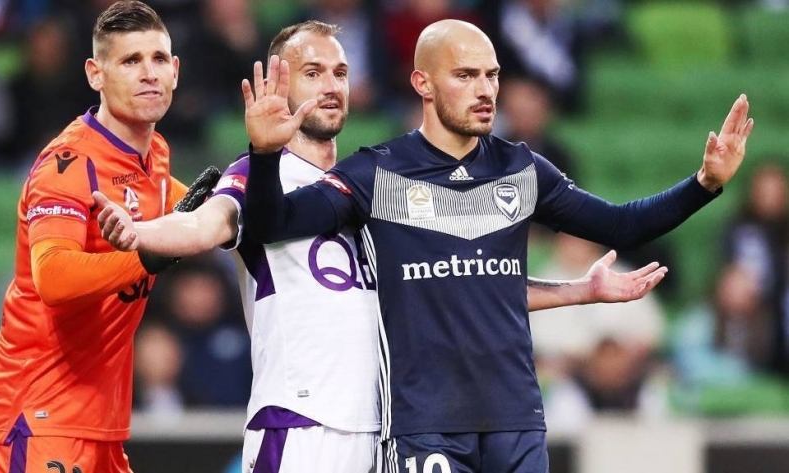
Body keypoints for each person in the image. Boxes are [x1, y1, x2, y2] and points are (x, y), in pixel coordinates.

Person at [94, 20, 669, 473]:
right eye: (313, 72)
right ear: (280, 84)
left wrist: (578, 291)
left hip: (383, 426)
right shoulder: (259, 176)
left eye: (340, 72)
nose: (330, 85)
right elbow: (205, 225)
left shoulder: (365, 186)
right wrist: (139, 233)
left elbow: (453, 285)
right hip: (302, 422)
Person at [238, 19, 753, 473]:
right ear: (423, 84)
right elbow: (273, 224)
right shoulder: (377, 172)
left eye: (492, 75)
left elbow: (621, 226)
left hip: (516, 421)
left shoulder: (521, 168)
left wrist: (704, 183)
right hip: (425, 426)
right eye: (465, 76)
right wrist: (263, 155)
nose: (485, 90)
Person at [0, 2, 211, 472]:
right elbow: (54, 277)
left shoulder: (154, 154)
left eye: (158, 59)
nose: (149, 74)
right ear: (95, 74)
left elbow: (195, 211)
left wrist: (254, 175)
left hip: (99, 419)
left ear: (176, 70)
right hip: (36, 413)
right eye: (130, 60)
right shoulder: (68, 165)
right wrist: (149, 255)